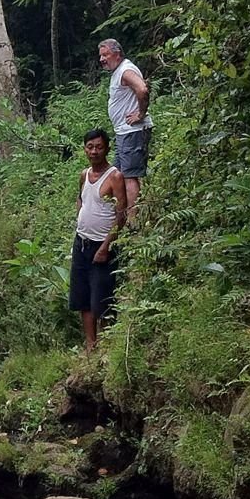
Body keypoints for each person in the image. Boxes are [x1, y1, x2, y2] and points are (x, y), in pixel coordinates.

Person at [70, 128, 127, 352]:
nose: (94, 151)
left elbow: (121, 215)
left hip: (102, 246)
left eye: (99, 147)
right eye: (90, 147)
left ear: (107, 148)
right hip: (81, 242)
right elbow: (80, 199)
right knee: (82, 298)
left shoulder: (115, 177)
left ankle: (107, 349)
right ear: (84, 149)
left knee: (101, 299)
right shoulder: (84, 175)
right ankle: (90, 346)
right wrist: (80, 221)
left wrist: (106, 246)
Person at [98, 38, 151, 221]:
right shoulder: (118, 71)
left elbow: (142, 89)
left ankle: (133, 220)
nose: (102, 59)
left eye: (105, 54)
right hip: (124, 132)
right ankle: (120, 216)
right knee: (118, 174)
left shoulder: (126, 70)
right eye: (101, 56)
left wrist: (141, 114)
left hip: (132, 132)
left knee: (129, 176)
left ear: (117, 53)